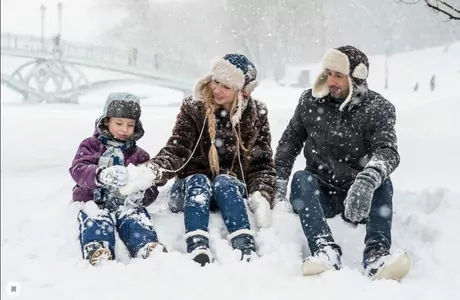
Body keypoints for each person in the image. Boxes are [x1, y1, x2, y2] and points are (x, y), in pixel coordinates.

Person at [119, 54, 276, 266]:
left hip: (228, 193)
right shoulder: (194, 108)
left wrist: (261, 194)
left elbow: (262, 163)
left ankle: (244, 245)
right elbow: (177, 150)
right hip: (189, 190)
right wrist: (152, 171)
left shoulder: (257, 114)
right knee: (199, 181)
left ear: (242, 92)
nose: (217, 90)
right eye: (216, 82)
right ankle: (197, 244)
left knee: (225, 181)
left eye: (226, 87)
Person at [274, 45, 411, 280]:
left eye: (338, 75)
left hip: (360, 198)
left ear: (355, 78)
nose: (331, 81)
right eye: (328, 73)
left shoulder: (378, 109)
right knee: (301, 179)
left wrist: (368, 179)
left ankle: (376, 256)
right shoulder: (310, 102)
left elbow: (388, 151)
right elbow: (289, 144)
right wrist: (277, 181)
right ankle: (325, 250)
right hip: (321, 193)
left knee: (382, 181)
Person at [69, 92, 167, 266]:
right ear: (106, 121)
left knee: (135, 216)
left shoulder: (139, 155)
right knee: (95, 217)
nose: (124, 130)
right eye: (119, 123)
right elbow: (78, 169)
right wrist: (100, 175)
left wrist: (141, 195)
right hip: (92, 199)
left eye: (130, 125)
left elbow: (150, 184)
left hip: (125, 203)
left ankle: (145, 245)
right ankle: (98, 247)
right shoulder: (90, 145)